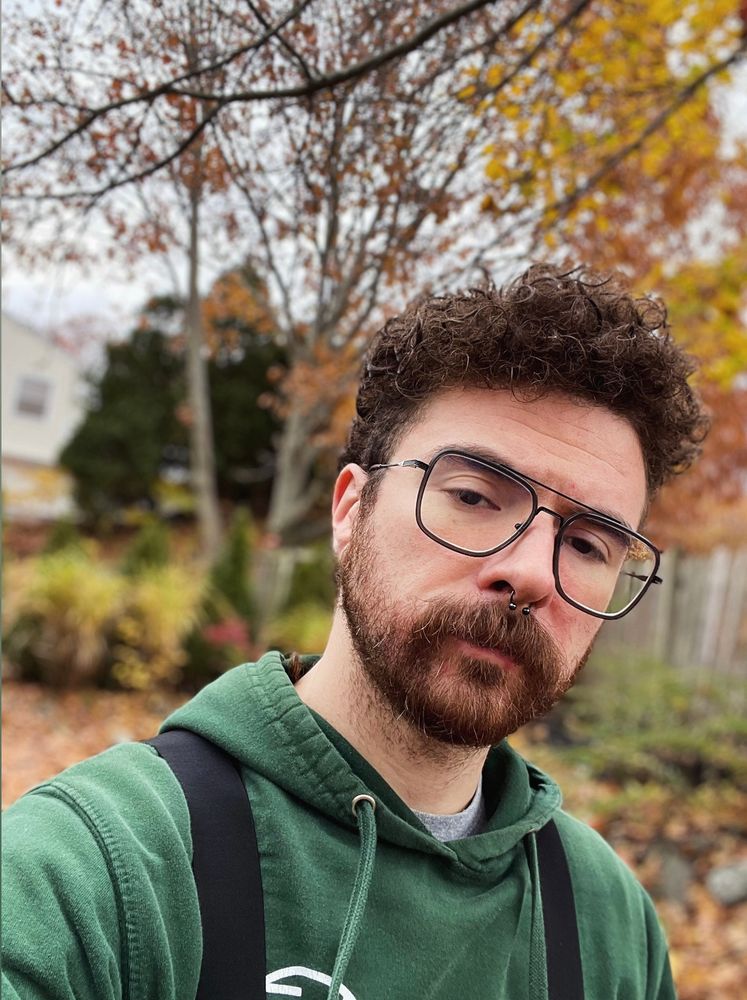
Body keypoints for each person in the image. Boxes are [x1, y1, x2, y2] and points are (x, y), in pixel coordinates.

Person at [3, 264, 707, 1000]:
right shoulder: (95, 874)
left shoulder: (609, 926)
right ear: (350, 510)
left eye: (588, 544)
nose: (530, 572)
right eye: (472, 495)